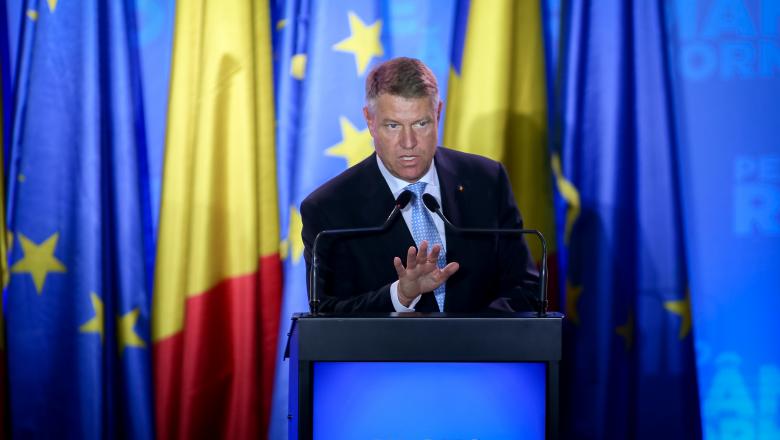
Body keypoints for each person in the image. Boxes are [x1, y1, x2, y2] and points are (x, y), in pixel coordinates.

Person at [301, 57, 539, 313]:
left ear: (438, 113)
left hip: (484, 341)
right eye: (393, 125)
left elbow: (525, 288)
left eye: (421, 123)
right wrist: (400, 296)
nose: (408, 142)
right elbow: (325, 313)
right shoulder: (328, 208)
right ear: (370, 121)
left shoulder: (486, 181)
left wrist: (472, 333)